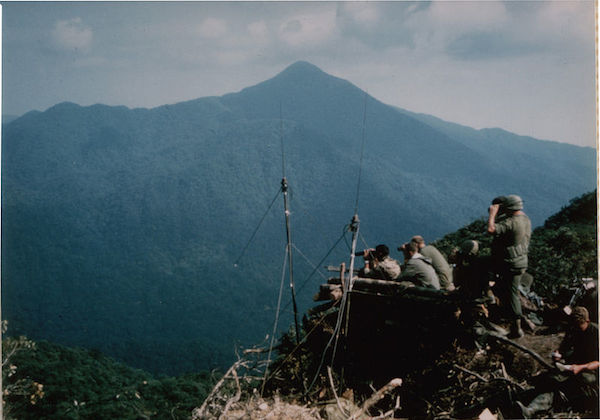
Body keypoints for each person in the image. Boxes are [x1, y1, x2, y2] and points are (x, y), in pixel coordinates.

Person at [516, 307, 599, 418]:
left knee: (576, 382)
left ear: (587, 321)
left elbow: (598, 362)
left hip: (590, 371)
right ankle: (529, 407)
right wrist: (558, 354)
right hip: (571, 366)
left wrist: (580, 367)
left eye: (579, 326)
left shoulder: (596, 332)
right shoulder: (573, 328)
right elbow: (564, 347)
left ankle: (532, 410)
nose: (576, 328)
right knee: (551, 379)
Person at [487, 194, 531, 338]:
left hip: (511, 264)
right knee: (509, 291)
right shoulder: (525, 219)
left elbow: (491, 229)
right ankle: (517, 321)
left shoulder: (512, 222)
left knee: (511, 294)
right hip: (521, 260)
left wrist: (492, 214)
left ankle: (516, 328)